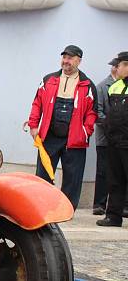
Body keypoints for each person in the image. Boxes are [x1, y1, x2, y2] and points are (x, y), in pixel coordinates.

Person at [26, 45, 97, 209]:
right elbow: (37, 104)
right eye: (64, 57)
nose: (66, 61)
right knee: (43, 173)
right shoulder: (48, 80)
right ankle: (41, 206)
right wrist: (33, 125)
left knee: (73, 176)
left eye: (70, 58)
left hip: (74, 138)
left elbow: (92, 113)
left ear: (79, 61)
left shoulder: (87, 85)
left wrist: (85, 132)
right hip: (49, 135)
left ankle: (66, 209)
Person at [96, 52, 128, 227]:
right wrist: (109, 130)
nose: (116, 68)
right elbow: (110, 113)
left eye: (120, 65)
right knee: (114, 181)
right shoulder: (115, 87)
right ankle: (113, 217)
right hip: (114, 142)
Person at [93, 58, 119, 215]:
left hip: (121, 139)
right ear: (115, 68)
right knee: (102, 171)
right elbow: (97, 112)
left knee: (119, 172)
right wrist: (113, 126)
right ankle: (99, 204)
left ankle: (118, 205)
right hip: (105, 138)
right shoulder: (102, 87)